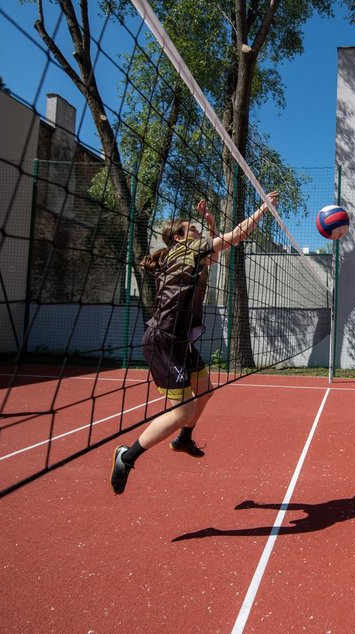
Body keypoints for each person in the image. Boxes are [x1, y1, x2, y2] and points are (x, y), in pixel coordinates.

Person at [110, 192, 279, 495]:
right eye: (191, 227)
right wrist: (262, 209)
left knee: (205, 391)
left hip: (180, 341)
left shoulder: (190, 255)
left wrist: (210, 223)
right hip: (163, 340)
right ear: (178, 238)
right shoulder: (186, 249)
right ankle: (127, 456)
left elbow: (213, 255)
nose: (196, 229)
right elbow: (236, 237)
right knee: (182, 411)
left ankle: (183, 439)